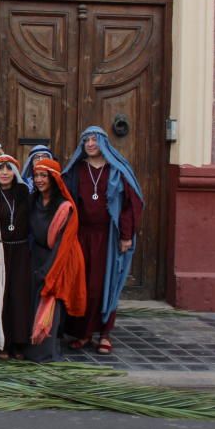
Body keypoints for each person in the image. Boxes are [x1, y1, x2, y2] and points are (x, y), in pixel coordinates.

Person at [63, 126, 143, 355]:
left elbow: (131, 204)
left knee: (105, 285)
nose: (90, 144)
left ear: (104, 143)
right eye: (86, 140)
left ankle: (104, 334)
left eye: (94, 139)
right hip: (81, 236)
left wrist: (126, 236)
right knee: (82, 285)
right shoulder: (76, 170)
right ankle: (83, 333)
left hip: (108, 237)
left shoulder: (117, 170)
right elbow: (64, 201)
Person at [26, 159, 86, 363]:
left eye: (44, 176)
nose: (40, 180)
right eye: (37, 176)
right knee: (32, 301)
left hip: (58, 259)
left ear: (54, 178)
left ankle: (46, 352)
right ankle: (31, 348)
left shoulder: (64, 208)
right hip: (36, 255)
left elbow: (63, 243)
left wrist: (48, 269)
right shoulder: (33, 200)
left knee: (51, 301)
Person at [0, 155, 32, 359]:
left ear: (15, 172)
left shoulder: (23, 193)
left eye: (8, 169)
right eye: (0, 169)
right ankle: (1, 343)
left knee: (19, 297)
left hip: (20, 251)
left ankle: (19, 343)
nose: (4, 173)